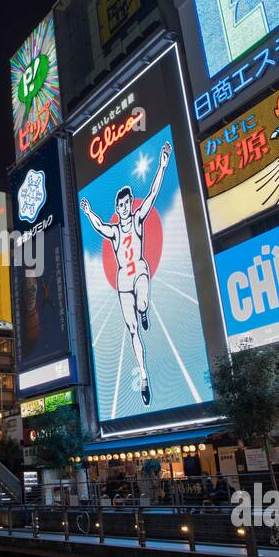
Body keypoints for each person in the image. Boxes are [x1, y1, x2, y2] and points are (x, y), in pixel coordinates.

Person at [79, 140, 172, 407]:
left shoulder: (139, 218)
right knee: (133, 330)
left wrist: (163, 165)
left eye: (128, 202)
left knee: (143, 304)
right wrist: (87, 212)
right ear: (117, 207)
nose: (125, 207)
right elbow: (99, 227)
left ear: (131, 203)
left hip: (140, 271)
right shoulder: (116, 230)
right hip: (123, 281)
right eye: (121, 204)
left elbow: (153, 193)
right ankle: (144, 377)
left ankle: (144, 311)